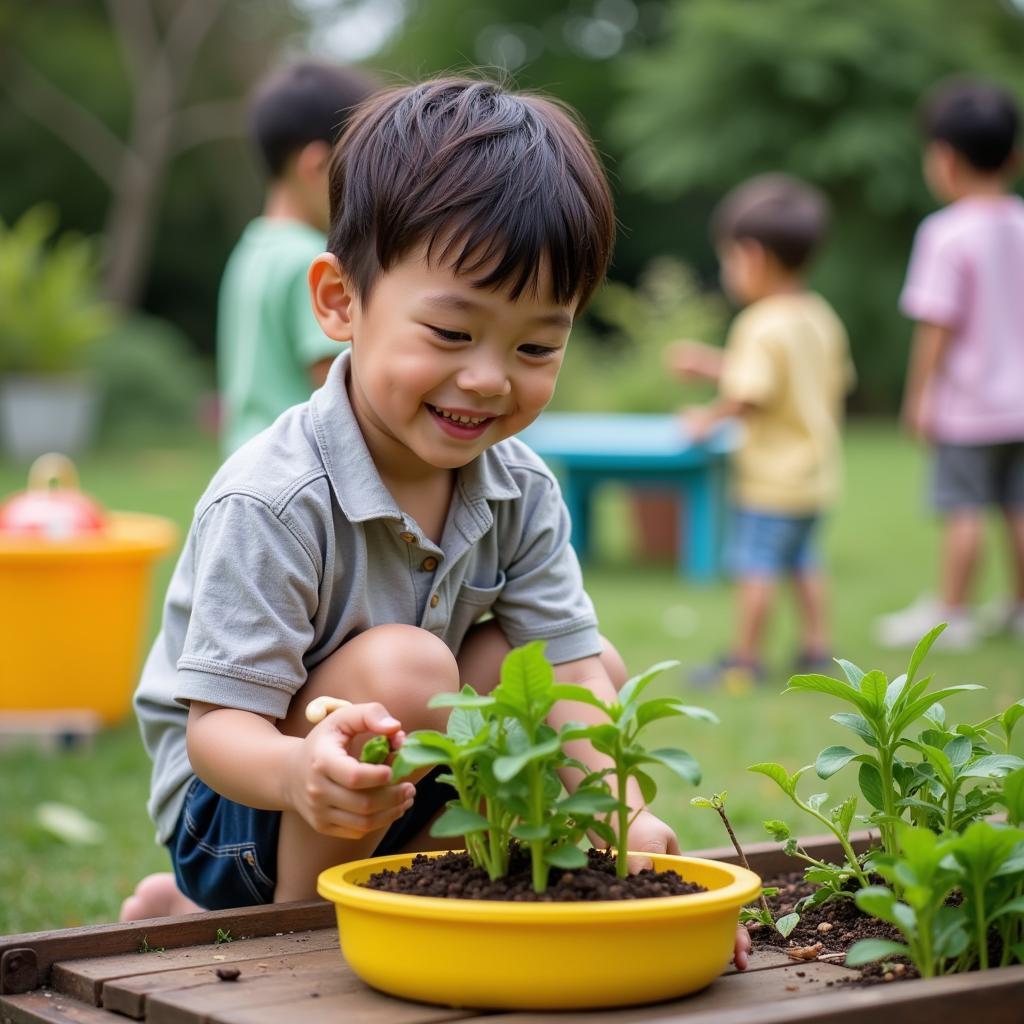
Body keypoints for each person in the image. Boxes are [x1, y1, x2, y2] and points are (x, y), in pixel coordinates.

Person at [120, 75, 751, 969]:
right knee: (408, 671)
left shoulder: (520, 486)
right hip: (247, 801)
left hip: (396, 778)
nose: (491, 378)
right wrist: (304, 776)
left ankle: (440, 889)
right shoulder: (275, 496)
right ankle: (295, 944)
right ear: (341, 301)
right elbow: (217, 732)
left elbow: (570, 674)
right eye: (452, 334)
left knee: (566, 667)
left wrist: (632, 831)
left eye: (536, 346)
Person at [666, 174, 854, 690]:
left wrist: (707, 420)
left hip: (772, 479)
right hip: (814, 475)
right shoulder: (818, 316)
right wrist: (711, 366)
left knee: (756, 567)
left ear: (752, 255)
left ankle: (744, 661)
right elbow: (799, 380)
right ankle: (817, 648)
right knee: (804, 562)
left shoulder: (760, 322)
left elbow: (753, 394)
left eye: (728, 258)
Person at [876, 77, 1024, 651]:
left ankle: (955, 611)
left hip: (968, 408)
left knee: (962, 509)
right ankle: (1016, 605)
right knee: (1016, 507)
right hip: (1020, 406)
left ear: (943, 159)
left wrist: (919, 398)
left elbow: (936, 326)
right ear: (1013, 156)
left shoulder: (944, 233)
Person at [217, 61, 376, 456]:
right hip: (295, 478)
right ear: (317, 165)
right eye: (361, 169)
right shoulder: (309, 261)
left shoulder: (253, 249)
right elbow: (342, 396)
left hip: (247, 462)